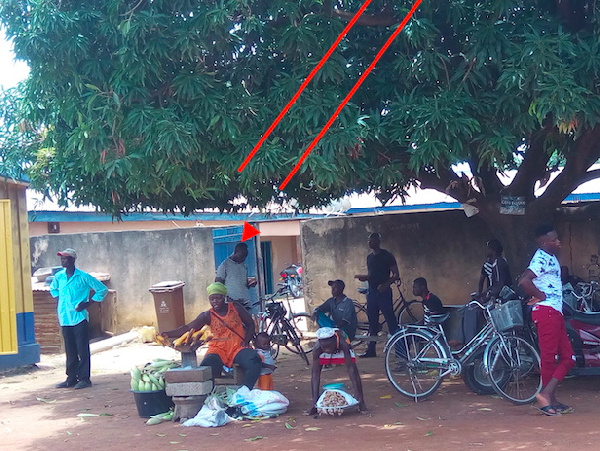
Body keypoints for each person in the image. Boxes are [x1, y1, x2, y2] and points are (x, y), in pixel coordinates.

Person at [519, 224, 575, 416]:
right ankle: (545, 397)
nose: (559, 242)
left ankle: (550, 396)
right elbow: (524, 280)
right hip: (546, 312)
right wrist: (541, 296)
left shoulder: (549, 257)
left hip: (553, 312)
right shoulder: (541, 258)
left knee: (568, 358)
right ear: (544, 242)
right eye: (554, 240)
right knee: (549, 358)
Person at [162, 282, 262, 389]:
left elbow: (250, 324)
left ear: (224, 297)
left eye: (218, 298)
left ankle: (246, 390)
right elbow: (187, 328)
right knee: (207, 370)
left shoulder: (235, 308)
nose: (214, 302)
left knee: (254, 361)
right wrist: (167, 333)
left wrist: (246, 341)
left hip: (237, 348)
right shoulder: (207, 315)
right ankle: (210, 395)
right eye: (212, 299)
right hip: (217, 349)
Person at [50, 248, 108, 389]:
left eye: (66, 258)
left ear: (73, 260)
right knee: (70, 349)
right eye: (62, 259)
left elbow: (102, 289)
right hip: (64, 317)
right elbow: (53, 289)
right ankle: (71, 378)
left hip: (79, 318)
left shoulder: (83, 277)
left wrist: (88, 303)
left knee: (82, 349)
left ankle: (84, 379)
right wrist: (59, 299)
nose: (63, 261)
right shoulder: (59, 277)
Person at [354, 233, 400, 357]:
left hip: (384, 293)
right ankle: (371, 350)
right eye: (368, 240)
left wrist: (385, 284)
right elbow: (372, 276)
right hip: (372, 293)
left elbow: (396, 275)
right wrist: (365, 278)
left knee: (391, 322)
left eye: (372, 240)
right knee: (372, 323)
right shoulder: (369, 258)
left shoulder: (387, 256)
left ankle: (400, 350)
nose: (369, 243)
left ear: (378, 241)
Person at [306, 327, 367, 415]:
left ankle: (361, 401)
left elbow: (351, 370)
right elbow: (315, 374)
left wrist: (361, 401)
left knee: (354, 370)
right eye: (324, 347)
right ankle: (315, 403)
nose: (327, 350)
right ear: (320, 343)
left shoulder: (343, 343)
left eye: (329, 346)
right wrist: (314, 403)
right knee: (315, 371)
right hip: (330, 346)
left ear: (335, 341)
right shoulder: (317, 348)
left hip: (342, 344)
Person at [463, 239, 512, 344]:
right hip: (496, 297)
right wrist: (481, 295)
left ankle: (469, 343)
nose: (486, 251)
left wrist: (485, 297)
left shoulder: (499, 262)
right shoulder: (495, 263)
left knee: (471, 309)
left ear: (492, 249)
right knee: (472, 306)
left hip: (500, 301)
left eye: (487, 248)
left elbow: (499, 285)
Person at [215, 242, 258, 314]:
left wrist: (250, 284)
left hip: (246, 303)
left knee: (248, 324)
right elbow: (218, 285)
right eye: (241, 256)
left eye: (245, 256)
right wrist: (227, 299)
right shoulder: (225, 265)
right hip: (232, 304)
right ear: (235, 252)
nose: (243, 258)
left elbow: (242, 284)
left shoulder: (244, 265)